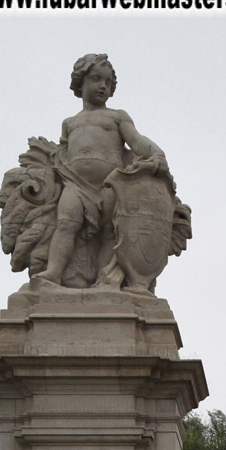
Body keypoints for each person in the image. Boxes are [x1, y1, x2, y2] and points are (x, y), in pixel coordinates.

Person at [38, 54, 173, 286]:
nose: (103, 86)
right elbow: (62, 156)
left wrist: (157, 154)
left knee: (110, 232)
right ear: (80, 83)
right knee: (66, 224)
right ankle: (54, 271)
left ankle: (105, 280)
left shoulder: (117, 116)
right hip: (76, 184)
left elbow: (137, 141)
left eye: (108, 82)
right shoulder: (70, 123)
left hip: (112, 184)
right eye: (96, 79)